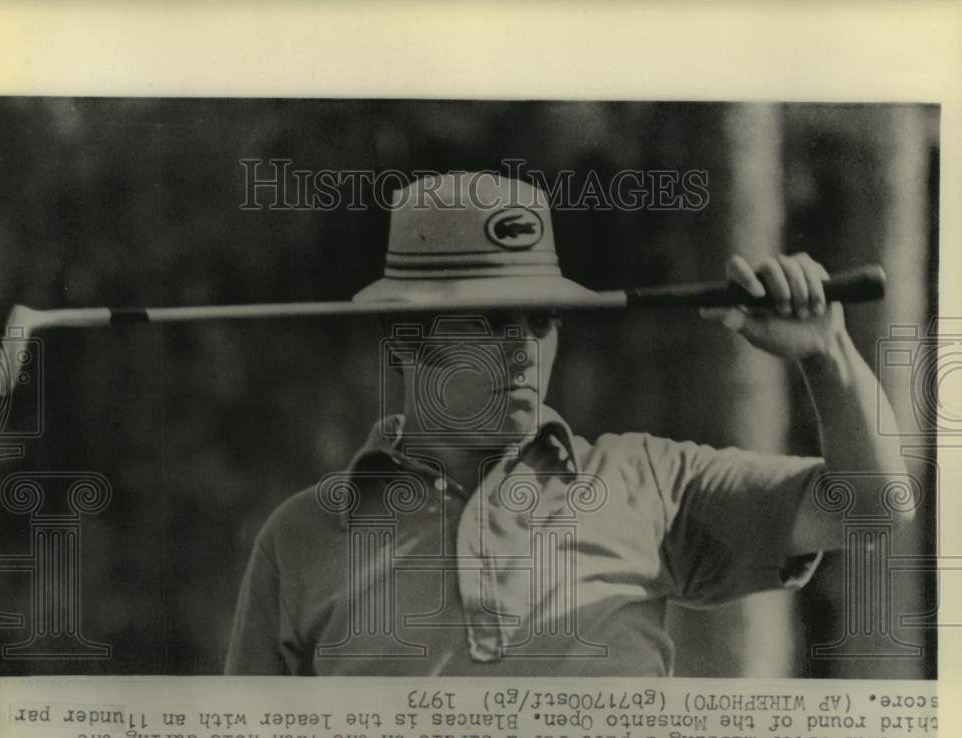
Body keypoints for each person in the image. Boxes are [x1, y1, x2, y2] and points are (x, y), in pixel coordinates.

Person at [225, 172, 912, 676]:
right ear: (404, 338)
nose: (526, 349)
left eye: (543, 319)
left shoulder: (652, 480)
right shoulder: (301, 536)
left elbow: (873, 510)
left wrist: (828, 355)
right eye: (494, 324)